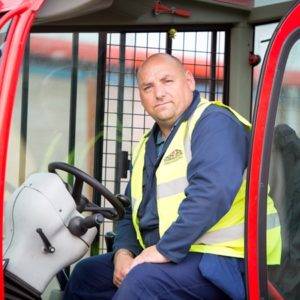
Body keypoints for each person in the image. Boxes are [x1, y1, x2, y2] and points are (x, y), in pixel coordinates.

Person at [64, 53, 281, 300]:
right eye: (148, 87)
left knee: (142, 282)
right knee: (86, 275)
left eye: (167, 81)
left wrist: (163, 250)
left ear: (188, 81)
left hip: (227, 260)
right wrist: (123, 252)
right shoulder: (149, 144)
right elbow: (131, 209)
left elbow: (213, 193)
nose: (159, 93)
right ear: (141, 97)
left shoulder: (214, 123)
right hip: (181, 253)